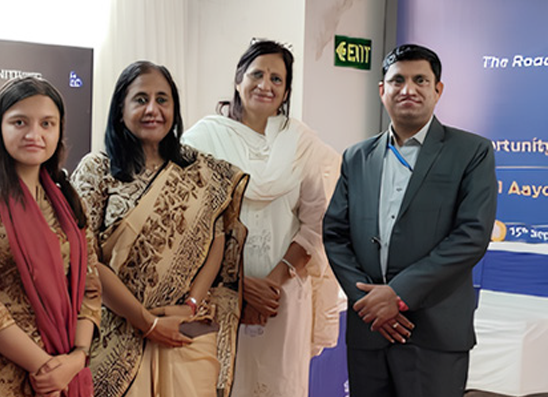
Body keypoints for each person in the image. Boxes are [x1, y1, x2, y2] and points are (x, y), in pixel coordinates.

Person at [323, 43, 498, 397]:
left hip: (433, 331)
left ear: (438, 89)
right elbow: (335, 234)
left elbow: (471, 236)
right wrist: (370, 303)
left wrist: (398, 295)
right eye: (397, 80)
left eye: (420, 80)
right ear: (382, 90)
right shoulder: (357, 156)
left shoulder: (472, 152)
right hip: (369, 329)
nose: (408, 89)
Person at [71, 61, 248, 397]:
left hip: (184, 332)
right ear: (120, 109)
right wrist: (147, 322)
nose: (153, 109)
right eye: (140, 99)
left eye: (162, 100)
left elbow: (216, 240)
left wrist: (192, 304)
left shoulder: (201, 171)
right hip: (114, 333)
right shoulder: (97, 170)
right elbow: (85, 259)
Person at [182, 40, 342, 397]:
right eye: (257, 74)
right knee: (220, 382)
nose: (265, 85)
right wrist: (238, 285)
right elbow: (188, 224)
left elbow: (317, 223)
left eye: (276, 79)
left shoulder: (302, 144)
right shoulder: (202, 140)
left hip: (281, 297)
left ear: (285, 90)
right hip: (216, 294)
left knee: (278, 385)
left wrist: (271, 283)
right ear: (239, 79)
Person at [0, 76, 100, 397]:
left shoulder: (69, 202)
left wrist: (76, 359)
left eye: (47, 123)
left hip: (63, 372)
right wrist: (44, 366)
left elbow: (90, 288)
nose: (35, 134)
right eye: (20, 122)